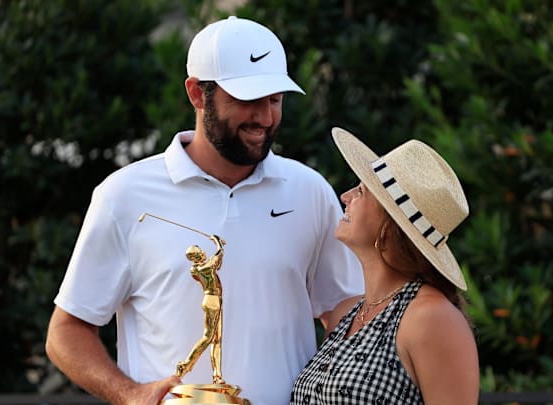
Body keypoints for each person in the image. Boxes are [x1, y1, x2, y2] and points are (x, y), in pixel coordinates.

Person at [45, 16, 363, 405]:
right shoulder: (123, 196)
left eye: (275, 100)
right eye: (247, 100)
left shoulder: (310, 191)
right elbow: (67, 331)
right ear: (197, 94)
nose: (264, 118)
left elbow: (345, 315)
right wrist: (130, 395)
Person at [290, 127, 480, 405]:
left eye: (362, 191)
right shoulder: (346, 313)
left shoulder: (431, 318)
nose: (346, 196)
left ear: (390, 225)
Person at [175, 235, 225, 382]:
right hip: (212, 301)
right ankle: (185, 365)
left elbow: (218, 262)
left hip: (216, 300)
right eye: (200, 251)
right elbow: (218, 255)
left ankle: (217, 376)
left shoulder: (201, 268)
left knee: (217, 340)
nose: (203, 252)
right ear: (196, 256)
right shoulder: (202, 268)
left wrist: (219, 246)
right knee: (208, 337)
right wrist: (216, 241)